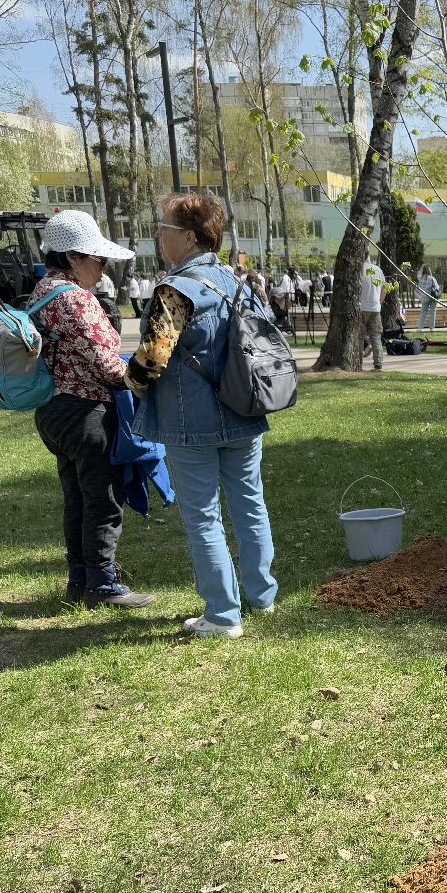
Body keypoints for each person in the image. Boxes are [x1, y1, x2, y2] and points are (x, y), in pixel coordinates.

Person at [126, 192, 279, 639]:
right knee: (250, 504)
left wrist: (125, 377)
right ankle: (262, 597)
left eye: (165, 228)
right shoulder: (240, 283)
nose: (159, 234)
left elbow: (149, 363)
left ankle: (222, 615)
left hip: (189, 422)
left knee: (203, 516)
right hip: (244, 411)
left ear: (189, 237)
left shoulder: (175, 290)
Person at [29, 209, 153, 608]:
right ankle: (101, 581)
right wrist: (150, 373)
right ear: (72, 258)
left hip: (53, 412)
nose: (103, 269)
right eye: (98, 260)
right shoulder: (75, 300)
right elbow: (109, 367)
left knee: (77, 498)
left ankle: (80, 578)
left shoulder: (42, 292)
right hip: (86, 412)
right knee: (101, 498)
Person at [360, 259, 385, 371]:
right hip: (375, 307)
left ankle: (358, 360)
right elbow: (385, 288)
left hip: (362, 306)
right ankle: (378, 362)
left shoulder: (359, 269)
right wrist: (379, 302)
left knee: (358, 335)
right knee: (376, 336)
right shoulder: (378, 270)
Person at [416, 265, 440, 331]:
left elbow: (418, 289)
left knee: (423, 312)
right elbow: (437, 287)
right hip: (433, 298)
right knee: (432, 312)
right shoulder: (432, 278)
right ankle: (431, 328)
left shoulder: (421, 279)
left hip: (424, 298)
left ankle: (420, 328)